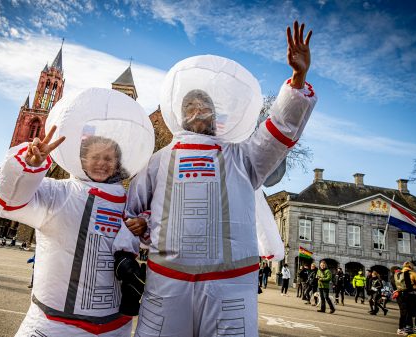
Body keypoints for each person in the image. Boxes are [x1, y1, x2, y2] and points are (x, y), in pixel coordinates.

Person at [117, 21, 316, 337]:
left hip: (229, 289)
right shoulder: (158, 161)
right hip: (166, 284)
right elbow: (130, 212)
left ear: (215, 116)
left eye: (204, 108)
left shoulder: (242, 156)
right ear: (181, 115)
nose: (198, 113)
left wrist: (298, 79)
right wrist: (141, 225)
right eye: (191, 108)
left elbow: (278, 131)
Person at [0, 88, 154, 337]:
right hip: (54, 325)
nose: (102, 163)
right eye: (95, 157)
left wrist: (144, 225)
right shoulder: (59, 193)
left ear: (118, 163)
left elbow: (150, 229)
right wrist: (29, 168)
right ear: (82, 159)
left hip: (114, 327)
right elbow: (10, 203)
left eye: (109, 158)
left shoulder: (128, 201)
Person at [395, 261, 416, 335]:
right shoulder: (412, 273)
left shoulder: (397, 274)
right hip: (412, 295)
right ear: (411, 267)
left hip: (402, 296)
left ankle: (408, 328)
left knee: (408, 311)